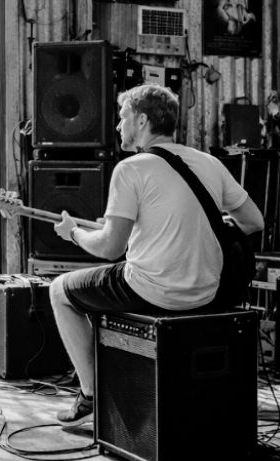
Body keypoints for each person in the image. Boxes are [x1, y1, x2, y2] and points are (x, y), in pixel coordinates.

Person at [47, 84, 264, 427]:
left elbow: (109, 249)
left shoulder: (131, 169)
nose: (118, 126)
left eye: (122, 118)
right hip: (207, 292)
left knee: (60, 291)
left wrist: (73, 233)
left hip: (152, 291)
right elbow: (254, 222)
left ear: (142, 120)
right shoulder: (209, 163)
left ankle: (90, 394)